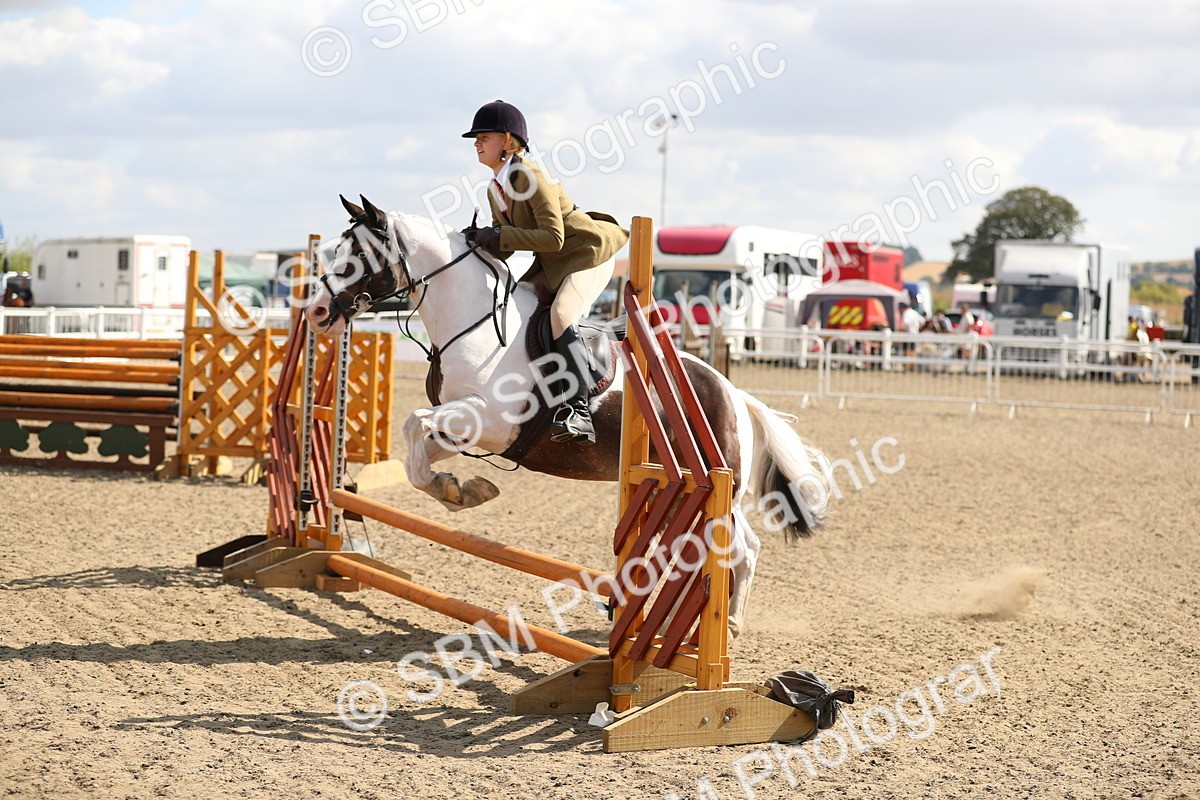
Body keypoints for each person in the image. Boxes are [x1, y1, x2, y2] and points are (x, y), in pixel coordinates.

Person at [461, 100, 629, 445]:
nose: (476, 142)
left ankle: (578, 410)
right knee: (514, 306)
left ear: (508, 141)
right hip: (554, 262)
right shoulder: (494, 188)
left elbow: (554, 237)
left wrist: (500, 236)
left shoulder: (529, 175)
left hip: (587, 253)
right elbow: (507, 244)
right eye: (475, 138)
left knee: (561, 314)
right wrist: (480, 241)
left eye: (484, 136)